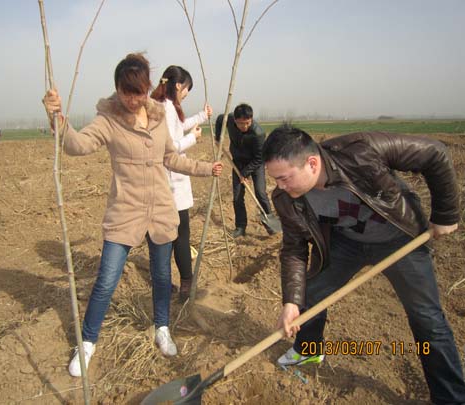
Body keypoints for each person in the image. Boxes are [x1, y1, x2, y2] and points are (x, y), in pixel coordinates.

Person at [42, 53, 223, 377]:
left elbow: (172, 157)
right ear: (117, 89)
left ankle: (162, 328)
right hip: (125, 212)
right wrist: (58, 119)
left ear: (148, 88)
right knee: (106, 281)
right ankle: (87, 343)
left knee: (161, 277)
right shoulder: (108, 120)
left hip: (160, 211)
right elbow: (77, 145)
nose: (133, 98)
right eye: (127, 91)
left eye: (138, 91)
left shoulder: (156, 117)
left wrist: (206, 169)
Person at [262, 124, 465, 404]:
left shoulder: (361, 151)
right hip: (348, 242)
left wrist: (446, 213)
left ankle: (451, 397)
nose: (279, 187)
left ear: (311, 163)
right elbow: (294, 248)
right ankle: (308, 350)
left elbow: (435, 153)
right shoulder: (286, 198)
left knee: (427, 320)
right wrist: (291, 301)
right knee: (311, 293)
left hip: (399, 239)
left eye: (284, 178)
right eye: (275, 179)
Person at [150, 65, 212, 301]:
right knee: (180, 236)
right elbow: (171, 146)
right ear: (178, 85)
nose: (186, 93)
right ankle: (185, 285)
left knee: (166, 237)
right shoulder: (165, 107)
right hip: (171, 180)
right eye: (187, 89)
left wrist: (202, 117)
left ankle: (167, 284)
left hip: (167, 181)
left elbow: (179, 126)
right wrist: (193, 139)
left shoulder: (165, 105)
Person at [215, 103, 277, 238]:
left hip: (255, 164)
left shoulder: (258, 133)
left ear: (252, 119)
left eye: (247, 123)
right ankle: (240, 227)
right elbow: (220, 119)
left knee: (260, 193)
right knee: (237, 196)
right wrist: (218, 137)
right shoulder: (230, 119)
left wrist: (245, 174)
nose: (244, 127)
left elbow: (259, 158)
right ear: (235, 120)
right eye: (240, 123)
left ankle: (270, 226)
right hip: (238, 162)